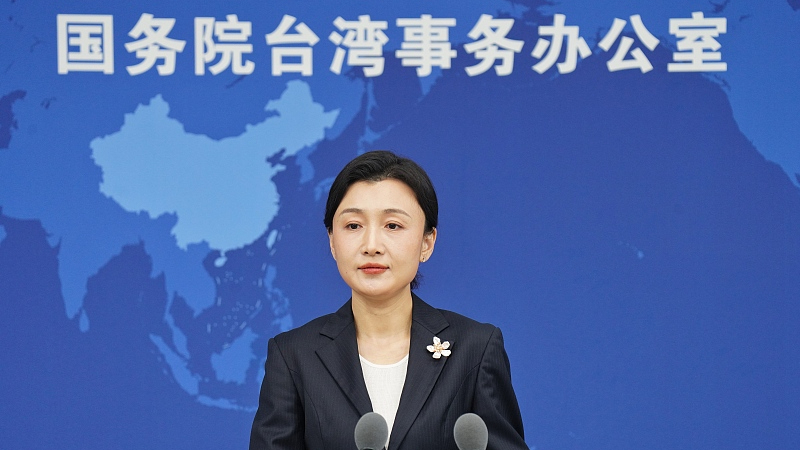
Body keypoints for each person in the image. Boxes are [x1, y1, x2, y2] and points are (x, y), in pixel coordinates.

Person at [250, 150, 527, 450]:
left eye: (392, 225)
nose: (371, 246)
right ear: (332, 241)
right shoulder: (293, 356)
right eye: (353, 226)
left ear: (427, 242)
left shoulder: (475, 349)